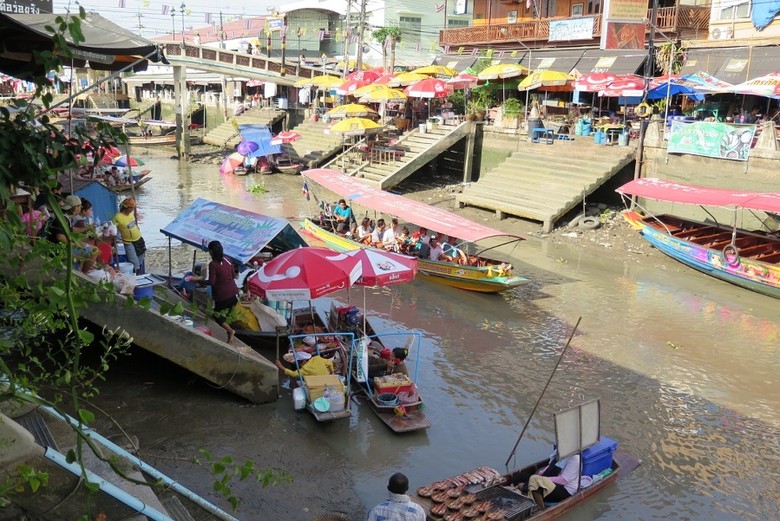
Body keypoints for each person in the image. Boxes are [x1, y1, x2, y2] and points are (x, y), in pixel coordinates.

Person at [517, 454, 591, 510]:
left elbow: (564, 480)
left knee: (534, 480)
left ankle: (540, 508)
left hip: (565, 490)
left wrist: (542, 479)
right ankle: (525, 490)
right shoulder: (558, 453)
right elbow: (549, 467)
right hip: (552, 483)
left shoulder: (575, 459)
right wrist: (541, 474)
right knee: (520, 477)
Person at [199, 240, 239, 344]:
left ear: (211, 252)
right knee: (226, 318)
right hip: (233, 294)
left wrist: (199, 281)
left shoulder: (213, 264)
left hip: (222, 296)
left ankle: (230, 331)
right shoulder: (228, 259)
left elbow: (211, 282)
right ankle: (230, 338)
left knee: (217, 316)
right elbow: (234, 275)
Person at [113, 197, 146, 274]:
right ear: (127, 208)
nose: (132, 210)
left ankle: (138, 271)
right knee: (134, 261)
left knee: (141, 255)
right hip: (128, 242)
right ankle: (136, 273)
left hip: (138, 238)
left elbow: (134, 224)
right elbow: (112, 227)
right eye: (131, 208)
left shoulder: (130, 215)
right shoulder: (118, 217)